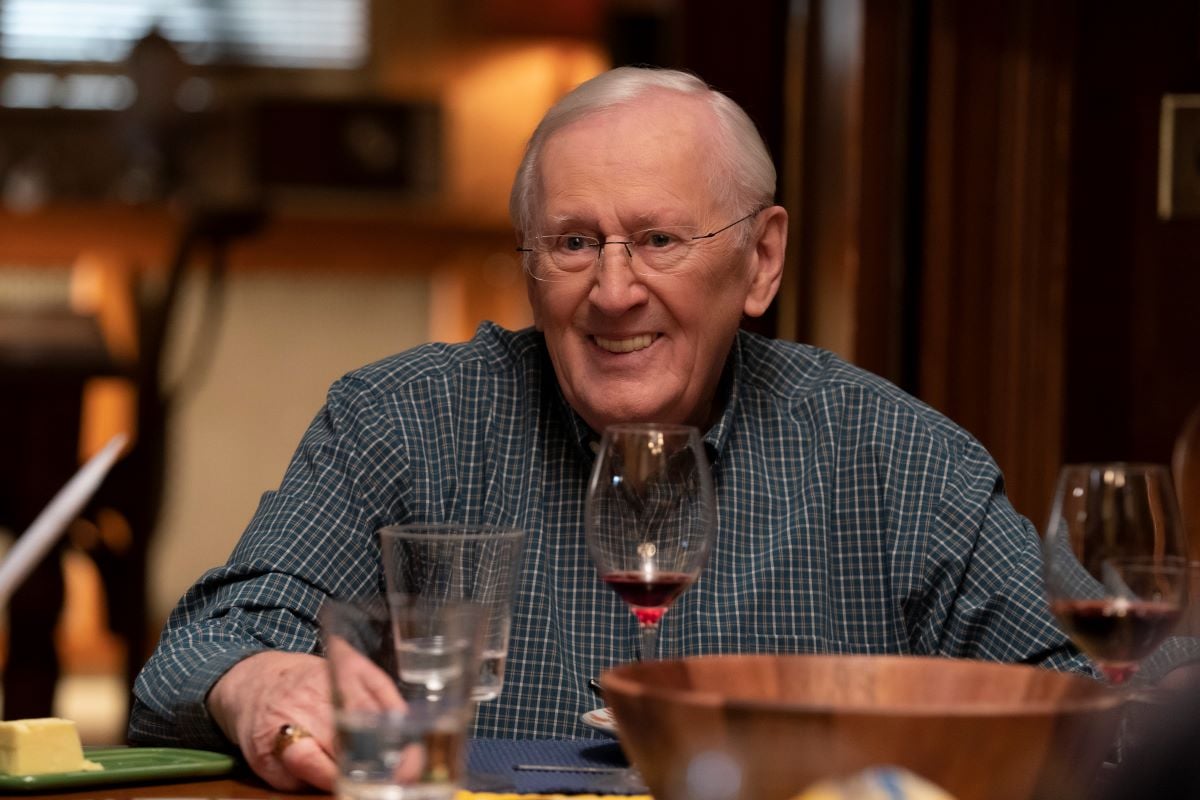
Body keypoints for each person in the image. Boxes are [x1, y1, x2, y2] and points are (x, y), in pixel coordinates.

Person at [129, 66, 1089, 791]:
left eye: (660, 240)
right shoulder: (404, 423)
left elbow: (1095, 697)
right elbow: (206, 644)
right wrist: (259, 685)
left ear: (761, 261)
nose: (615, 291)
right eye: (574, 242)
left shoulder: (898, 463)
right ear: (529, 264)